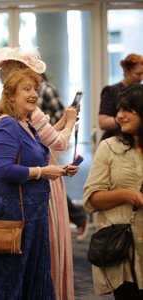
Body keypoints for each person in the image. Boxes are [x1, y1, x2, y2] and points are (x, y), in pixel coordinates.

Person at [0, 67, 79, 299]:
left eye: (35, 88)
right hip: (13, 214)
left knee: (30, 274)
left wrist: (59, 170)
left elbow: (42, 151)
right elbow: (3, 170)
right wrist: (44, 172)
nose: (34, 93)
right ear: (11, 96)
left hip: (33, 214)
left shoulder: (27, 125)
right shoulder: (7, 125)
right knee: (4, 278)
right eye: (26, 89)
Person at [83, 84, 143, 298]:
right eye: (119, 110)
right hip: (122, 248)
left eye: (127, 110)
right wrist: (127, 195)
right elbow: (92, 199)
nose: (119, 116)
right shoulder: (109, 147)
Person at [39, 73, 88, 241]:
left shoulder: (45, 89)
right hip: (48, 144)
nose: (31, 93)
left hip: (50, 145)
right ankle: (79, 217)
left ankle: (79, 217)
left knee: (54, 189)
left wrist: (68, 120)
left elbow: (55, 135)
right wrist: (67, 121)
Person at [98, 53, 143, 141]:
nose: (141, 78)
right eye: (137, 74)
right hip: (114, 141)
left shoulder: (140, 92)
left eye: (142, 74)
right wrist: (125, 119)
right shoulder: (110, 91)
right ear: (126, 71)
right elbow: (102, 123)